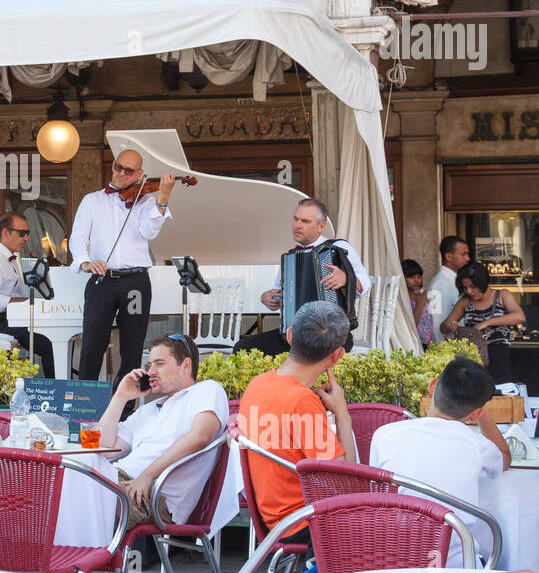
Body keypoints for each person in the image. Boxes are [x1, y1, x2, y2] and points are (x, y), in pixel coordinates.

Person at [236, 302, 357, 548]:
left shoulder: (258, 384)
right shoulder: (302, 401)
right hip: (304, 522)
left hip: (274, 518)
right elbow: (345, 482)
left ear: (290, 336)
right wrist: (342, 413)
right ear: (337, 356)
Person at [369, 356, 510, 565]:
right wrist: (483, 415)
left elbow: (376, 493)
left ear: (432, 386)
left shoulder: (384, 434)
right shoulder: (475, 442)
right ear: (476, 413)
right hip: (456, 566)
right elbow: (504, 457)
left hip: (393, 561)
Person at [69, 148, 178, 382]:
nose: (121, 174)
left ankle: (124, 408)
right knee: (92, 345)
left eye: (128, 171)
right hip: (102, 280)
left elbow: (149, 231)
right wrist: (85, 262)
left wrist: (163, 198)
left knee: (132, 347)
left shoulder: (147, 201)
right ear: (113, 165)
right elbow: (78, 237)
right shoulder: (92, 201)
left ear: (139, 174)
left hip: (135, 283)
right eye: (118, 167)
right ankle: (86, 405)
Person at [95, 333, 227, 528]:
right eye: (149, 365)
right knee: (51, 489)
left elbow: (201, 436)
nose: (150, 372)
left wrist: (147, 476)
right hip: (116, 478)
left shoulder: (207, 390)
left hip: (153, 496)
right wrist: (120, 397)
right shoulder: (147, 410)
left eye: (160, 364)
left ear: (186, 365)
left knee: (76, 499)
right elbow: (102, 448)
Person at [236, 198, 369, 356]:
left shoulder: (339, 248)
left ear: (321, 226)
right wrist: (269, 298)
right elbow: (281, 294)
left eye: (305, 221)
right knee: (242, 348)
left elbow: (366, 283)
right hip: (297, 335)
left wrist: (347, 279)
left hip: (333, 334)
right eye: (296, 219)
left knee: (309, 352)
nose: (297, 225)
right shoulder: (290, 258)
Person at [0, 212, 55, 378]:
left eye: (28, 233)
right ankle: (56, 392)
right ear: (5, 233)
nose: (26, 238)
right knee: (48, 344)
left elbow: (23, 293)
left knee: (53, 334)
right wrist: (27, 302)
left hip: (14, 317)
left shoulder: (11, 259)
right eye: (22, 233)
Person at [439, 261, 524, 386]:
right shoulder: (465, 301)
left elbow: (519, 316)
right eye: (465, 288)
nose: (469, 291)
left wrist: (488, 322)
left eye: (472, 286)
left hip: (499, 355)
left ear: (482, 283)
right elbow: (443, 328)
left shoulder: (502, 295)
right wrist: (449, 324)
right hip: (474, 358)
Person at [426, 235, 470, 326]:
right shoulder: (438, 284)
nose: (467, 258)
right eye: (463, 254)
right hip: (448, 340)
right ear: (448, 256)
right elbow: (436, 322)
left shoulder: (456, 280)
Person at [403, 258, 434, 346]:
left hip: (428, 341)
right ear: (402, 278)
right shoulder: (403, 299)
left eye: (419, 277)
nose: (417, 280)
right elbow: (411, 325)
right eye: (412, 277)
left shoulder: (421, 294)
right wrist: (420, 304)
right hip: (414, 342)